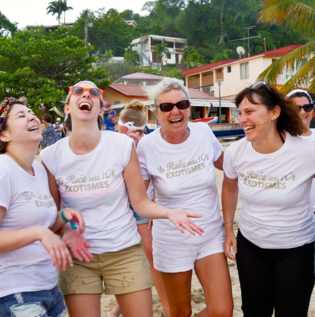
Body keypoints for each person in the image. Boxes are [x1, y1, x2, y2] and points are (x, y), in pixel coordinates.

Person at [40, 80, 203, 317]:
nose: (86, 94)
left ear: (101, 108)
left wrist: (169, 212)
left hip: (124, 250)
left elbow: (139, 202)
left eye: (94, 93)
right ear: (67, 107)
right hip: (79, 256)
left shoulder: (122, 145)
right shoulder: (50, 156)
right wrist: (66, 231)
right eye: (78, 91)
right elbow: (52, 217)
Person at [0, 97, 86, 317]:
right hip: (12, 292)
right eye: (21, 116)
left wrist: (63, 216)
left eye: (31, 112)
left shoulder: (38, 169)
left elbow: (42, 227)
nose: (32, 116)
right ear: (4, 135)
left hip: (49, 287)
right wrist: (38, 232)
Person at [221, 81, 315, 316]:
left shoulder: (307, 149)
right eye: (240, 113)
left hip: (297, 249)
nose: (243, 119)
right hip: (251, 247)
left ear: (275, 112)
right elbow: (228, 187)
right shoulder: (236, 152)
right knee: (255, 311)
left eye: (250, 111)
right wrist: (228, 229)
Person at [136, 78, 233, 317]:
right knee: (180, 312)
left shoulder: (203, 132)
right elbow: (141, 201)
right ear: (156, 113)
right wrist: (167, 213)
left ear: (189, 108)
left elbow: (231, 169)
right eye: (167, 107)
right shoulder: (147, 146)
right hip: (171, 240)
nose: (175, 111)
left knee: (222, 312)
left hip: (209, 234)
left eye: (181, 104)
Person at [107, 100, 169, 317]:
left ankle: (167, 307)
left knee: (151, 259)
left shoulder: (145, 144)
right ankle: (121, 305)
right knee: (126, 260)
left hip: (139, 206)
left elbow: (153, 177)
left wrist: (152, 203)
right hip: (120, 208)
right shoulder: (112, 143)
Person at [287, 89, 315, 216]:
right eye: (296, 108)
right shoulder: (282, 140)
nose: (302, 112)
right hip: (299, 211)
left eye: (307, 107)